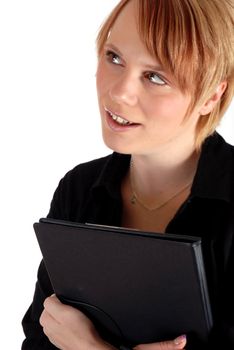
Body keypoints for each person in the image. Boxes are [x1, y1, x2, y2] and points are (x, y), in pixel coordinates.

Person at [22, 0, 234, 349]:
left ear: (212, 95)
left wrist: (91, 346)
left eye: (155, 76)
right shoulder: (79, 189)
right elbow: (39, 340)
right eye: (114, 57)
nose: (119, 92)